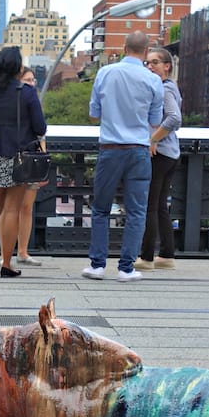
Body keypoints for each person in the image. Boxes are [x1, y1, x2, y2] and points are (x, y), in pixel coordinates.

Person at [83, 30, 162, 282]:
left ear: (125, 47)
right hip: (139, 150)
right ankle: (126, 268)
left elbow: (94, 113)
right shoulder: (153, 80)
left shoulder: (106, 73)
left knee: (101, 208)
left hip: (110, 149)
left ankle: (97, 265)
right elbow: (155, 120)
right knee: (137, 211)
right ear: (146, 51)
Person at [0, 47, 45, 278]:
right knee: (12, 209)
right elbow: (40, 127)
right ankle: (6, 264)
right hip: (18, 156)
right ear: (17, 67)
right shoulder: (26, 93)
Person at [136, 46, 182, 271]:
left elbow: (174, 118)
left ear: (167, 66)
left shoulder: (164, 89)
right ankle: (166, 254)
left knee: (150, 206)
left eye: (155, 62)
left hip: (160, 153)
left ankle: (146, 258)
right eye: (148, 62)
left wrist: (153, 139)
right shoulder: (169, 87)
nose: (150, 66)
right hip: (170, 153)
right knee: (161, 206)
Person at [12, 66, 48, 267]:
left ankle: (23, 252)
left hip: (31, 157)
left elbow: (41, 131)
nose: (32, 84)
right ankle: (7, 252)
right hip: (12, 156)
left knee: (26, 207)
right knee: (9, 207)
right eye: (27, 80)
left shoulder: (33, 101)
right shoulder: (10, 102)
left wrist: (43, 158)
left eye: (33, 80)